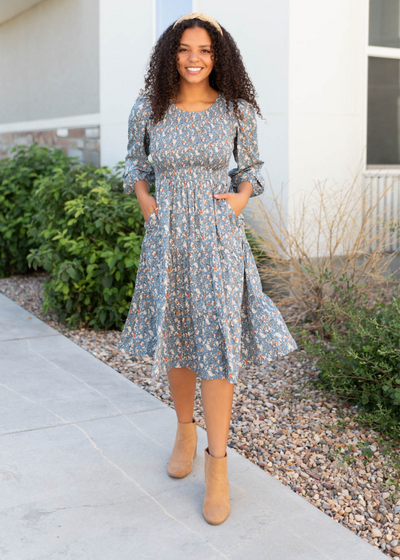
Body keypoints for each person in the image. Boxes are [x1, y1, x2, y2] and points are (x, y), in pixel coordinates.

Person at [118, 12, 297, 525]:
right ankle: (183, 428)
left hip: (219, 242)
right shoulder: (149, 109)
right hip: (168, 241)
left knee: (218, 347)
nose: (195, 59)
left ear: (220, 58)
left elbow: (251, 170)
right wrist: (147, 205)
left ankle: (217, 467)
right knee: (178, 338)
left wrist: (239, 200)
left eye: (205, 51)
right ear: (170, 55)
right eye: (185, 49)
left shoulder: (235, 110)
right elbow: (135, 163)